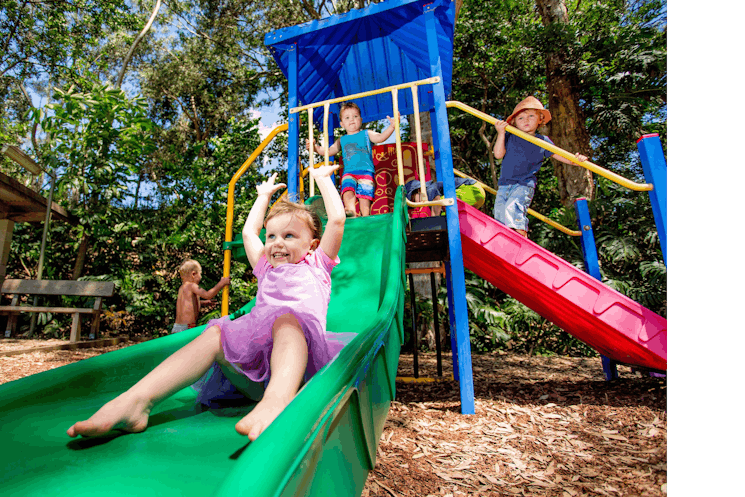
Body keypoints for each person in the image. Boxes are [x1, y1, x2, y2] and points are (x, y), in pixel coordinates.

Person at [67, 165, 346, 442]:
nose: (276, 243)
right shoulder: (265, 267)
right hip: (253, 376)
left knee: (286, 319)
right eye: (272, 236)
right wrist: (262, 197)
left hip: (300, 376)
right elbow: (250, 232)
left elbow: (336, 221)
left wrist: (323, 179)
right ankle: (136, 401)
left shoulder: (317, 266)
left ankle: (277, 402)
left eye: (289, 236)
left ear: (312, 245)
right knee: (216, 332)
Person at [492, 96, 588, 237]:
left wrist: (576, 160)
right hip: (504, 184)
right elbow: (498, 154)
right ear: (513, 122)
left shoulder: (542, 141)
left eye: (531, 116)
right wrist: (501, 133)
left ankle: (521, 239)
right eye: (521, 118)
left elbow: (560, 155)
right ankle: (505, 242)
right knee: (500, 213)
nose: (526, 120)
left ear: (540, 120)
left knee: (513, 209)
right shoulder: (510, 137)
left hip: (523, 184)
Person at [308, 102, 398, 217]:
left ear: (360, 119)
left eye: (355, 116)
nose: (352, 120)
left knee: (365, 195)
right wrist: (315, 148)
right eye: (347, 118)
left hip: (366, 172)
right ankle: (351, 211)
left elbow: (380, 137)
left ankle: (365, 215)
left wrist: (392, 127)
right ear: (342, 124)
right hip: (349, 172)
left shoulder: (366, 133)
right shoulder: (342, 140)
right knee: (347, 189)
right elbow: (329, 151)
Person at [172, 260, 230, 334]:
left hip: (177, 327)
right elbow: (208, 295)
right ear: (193, 274)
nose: (201, 277)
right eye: (200, 274)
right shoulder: (192, 285)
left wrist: (202, 303)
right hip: (186, 328)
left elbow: (186, 305)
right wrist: (221, 283)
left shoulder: (182, 288)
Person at [404, 177, 486, 216]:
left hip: (471, 189)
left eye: (414, 200)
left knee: (443, 202)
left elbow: (437, 201)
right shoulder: (429, 195)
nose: (417, 204)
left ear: (419, 190)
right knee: (444, 213)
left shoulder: (429, 189)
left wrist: (434, 220)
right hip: (476, 198)